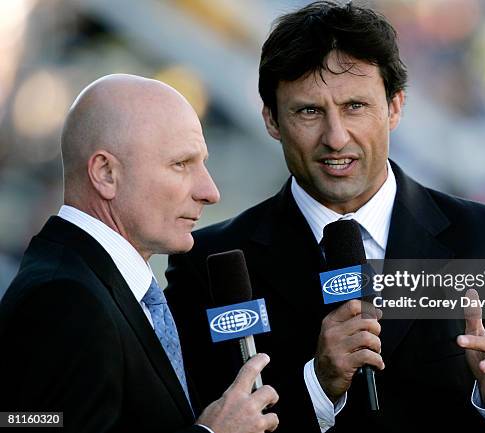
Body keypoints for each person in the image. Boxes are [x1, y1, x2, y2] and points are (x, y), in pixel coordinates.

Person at [165, 2, 485, 432]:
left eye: (355, 107)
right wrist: (317, 384)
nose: (335, 137)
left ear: (395, 107)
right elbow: (199, 422)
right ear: (272, 120)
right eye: (309, 111)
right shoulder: (210, 262)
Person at [0, 74, 280, 433]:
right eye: (181, 164)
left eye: (203, 163)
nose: (209, 191)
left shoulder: (100, 288)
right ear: (105, 173)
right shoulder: (65, 299)